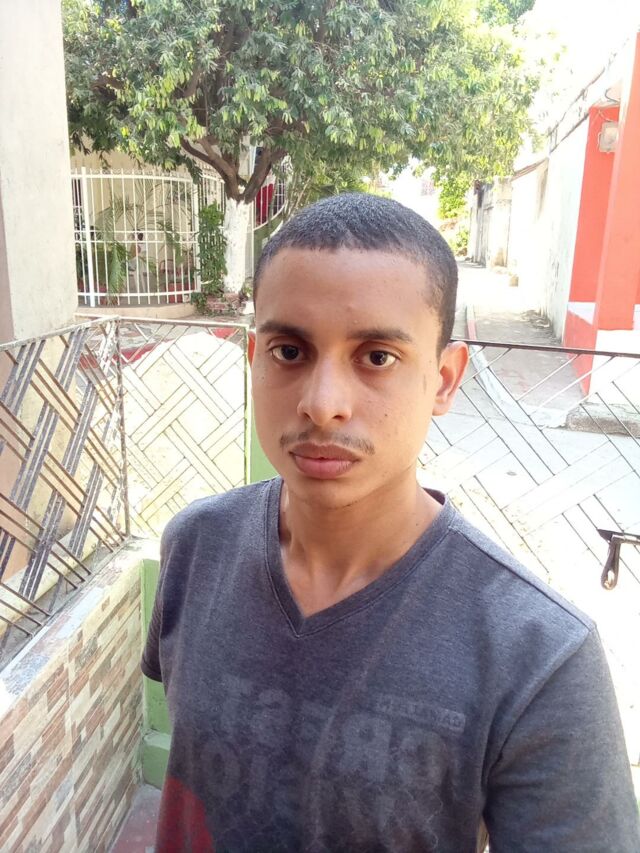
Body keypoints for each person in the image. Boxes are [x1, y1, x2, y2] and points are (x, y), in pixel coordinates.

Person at [142, 193, 640, 852]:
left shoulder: (540, 655)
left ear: (445, 380)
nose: (322, 404)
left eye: (376, 356)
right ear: (253, 358)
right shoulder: (196, 546)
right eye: (289, 350)